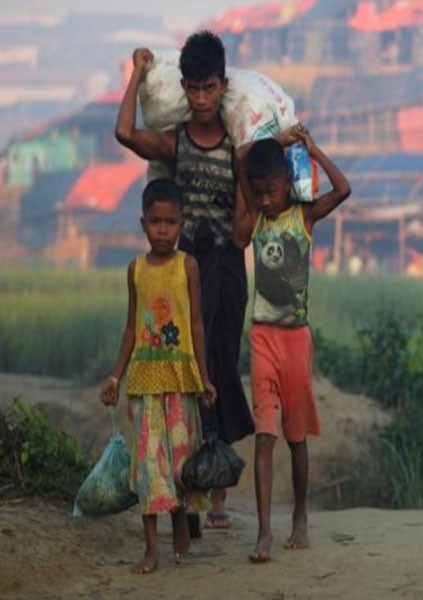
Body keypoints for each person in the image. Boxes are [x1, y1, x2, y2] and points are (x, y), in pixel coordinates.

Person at [115, 31, 254, 532]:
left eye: (209, 89)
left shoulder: (238, 149)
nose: (199, 100)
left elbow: (242, 229)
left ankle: (215, 491)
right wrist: (136, 74)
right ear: (184, 87)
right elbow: (125, 133)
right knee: (182, 372)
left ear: (223, 87)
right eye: (192, 89)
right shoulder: (175, 142)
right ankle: (184, 490)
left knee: (217, 369)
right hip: (181, 275)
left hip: (226, 271)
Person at [232, 126, 351, 563]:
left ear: (288, 182)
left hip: (296, 339)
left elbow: (344, 188)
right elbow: (238, 163)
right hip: (262, 334)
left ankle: (300, 514)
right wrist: (277, 142)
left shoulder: (304, 216)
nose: (265, 199)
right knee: (265, 437)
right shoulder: (256, 219)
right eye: (258, 192)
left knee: (295, 437)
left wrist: (311, 150)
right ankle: (264, 533)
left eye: (272, 190)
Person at [99, 178, 216, 574]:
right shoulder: (135, 270)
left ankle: (181, 520)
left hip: (182, 380)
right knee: (148, 465)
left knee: (181, 464)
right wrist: (116, 377)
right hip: (145, 382)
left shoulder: (189, 266)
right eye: (155, 222)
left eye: (170, 222)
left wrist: (204, 378)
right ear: (142, 223)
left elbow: (196, 324)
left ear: (181, 224)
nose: (162, 230)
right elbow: (131, 328)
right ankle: (151, 549)